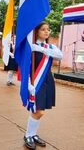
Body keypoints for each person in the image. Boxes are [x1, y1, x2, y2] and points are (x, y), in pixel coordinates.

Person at [23, 22, 63, 150]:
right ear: (37, 32)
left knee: (41, 111)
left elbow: (59, 56)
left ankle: (33, 134)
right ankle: (28, 135)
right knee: (37, 110)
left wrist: (41, 49)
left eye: (48, 29)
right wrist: (29, 84)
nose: (46, 32)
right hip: (36, 81)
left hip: (47, 80)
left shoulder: (51, 46)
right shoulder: (30, 47)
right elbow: (25, 68)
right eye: (43, 29)